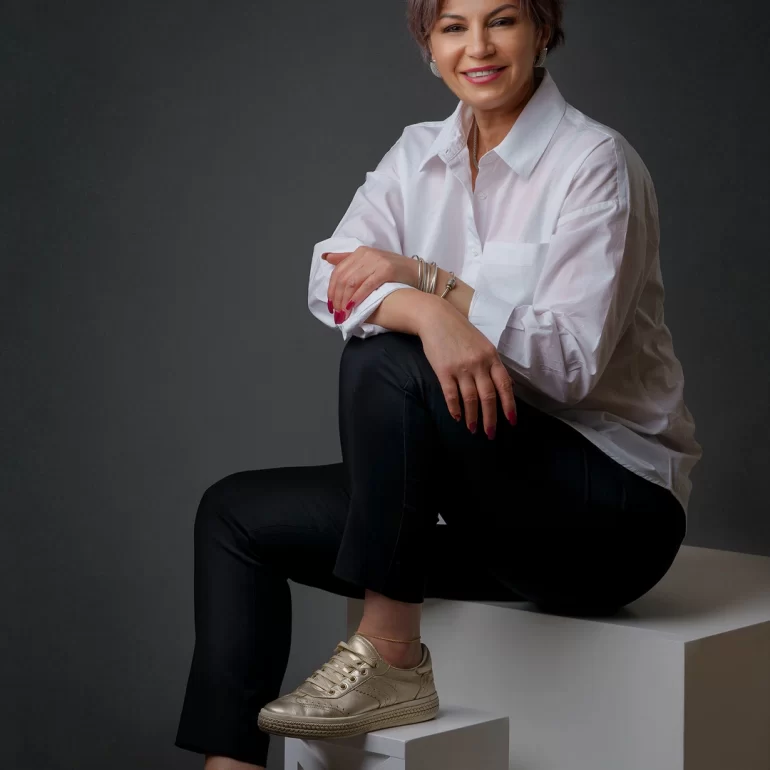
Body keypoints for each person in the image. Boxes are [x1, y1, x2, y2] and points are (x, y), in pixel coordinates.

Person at [174, 0, 703, 767]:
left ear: (543, 29)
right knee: (234, 515)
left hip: (610, 516)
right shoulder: (417, 155)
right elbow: (330, 282)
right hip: (485, 509)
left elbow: (570, 363)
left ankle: (390, 656)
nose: (478, 47)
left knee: (385, 361)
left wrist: (434, 286)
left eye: (504, 21)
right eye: (454, 26)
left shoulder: (595, 163)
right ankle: (229, 765)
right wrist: (424, 310)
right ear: (428, 43)